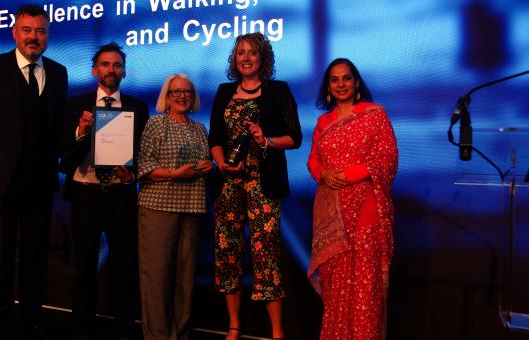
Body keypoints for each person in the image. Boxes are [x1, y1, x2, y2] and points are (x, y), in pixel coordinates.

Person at [0, 4, 67, 339]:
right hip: (0, 183)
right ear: (14, 32)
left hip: (40, 183)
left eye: (40, 31)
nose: (34, 37)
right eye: (27, 30)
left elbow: (56, 125)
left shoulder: (59, 73)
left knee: (35, 259)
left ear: (47, 35)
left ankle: (30, 321)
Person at [208, 32, 302, 340]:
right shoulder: (223, 92)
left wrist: (267, 140)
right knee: (228, 253)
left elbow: (295, 138)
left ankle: (277, 330)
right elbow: (215, 139)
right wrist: (222, 163)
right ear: (234, 59)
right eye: (240, 53)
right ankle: (234, 325)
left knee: (266, 256)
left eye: (252, 53)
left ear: (263, 58)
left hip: (264, 184)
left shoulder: (278, 91)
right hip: (229, 185)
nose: (245, 58)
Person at [59, 43, 149, 340]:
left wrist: (132, 172)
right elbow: (63, 155)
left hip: (121, 195)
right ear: (95, 70)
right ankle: (82, 328)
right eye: (105, 64)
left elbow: (143, 153)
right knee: (84, 263)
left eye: (117, 65)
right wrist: (81, 132)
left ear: (123, 70)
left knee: (123, 266)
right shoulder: (74, 105)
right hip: (85, 193)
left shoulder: (137, 107)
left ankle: (123, 328)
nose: (111, 70)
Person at [306, 58, 398, 340]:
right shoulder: (324, 122)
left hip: (365, 211)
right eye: (334, 80)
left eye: (346, 78)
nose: (341, 84)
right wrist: (324, 174)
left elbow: (388, 159)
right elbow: (313, 161)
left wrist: (350, 174)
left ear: (356, 82)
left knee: (364, 289)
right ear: (328, 87)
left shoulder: (374, 114)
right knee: (336, 290)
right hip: (331, 215)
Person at [136, 73, 213, 340]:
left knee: (184, 280)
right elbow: (143, 166)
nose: (182, 96)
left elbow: (204, 162)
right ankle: (157, 336)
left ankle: (180, 334)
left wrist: (207, 166)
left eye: (188, 92)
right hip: (158, 208)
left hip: (191, 209)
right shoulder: (156, 125)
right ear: (166, 98)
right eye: (176, 92)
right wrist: (173, 173)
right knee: (157, 279)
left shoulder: (199, 129)